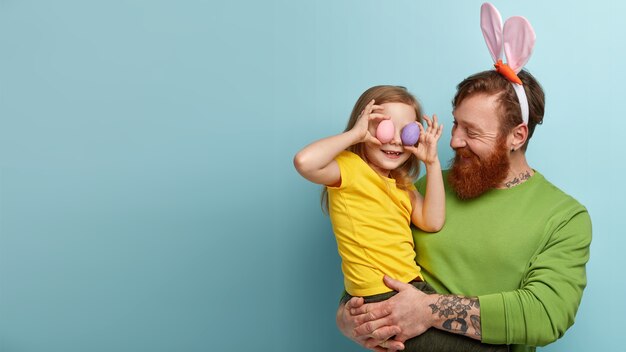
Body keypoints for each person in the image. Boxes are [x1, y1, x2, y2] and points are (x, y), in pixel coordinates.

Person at [336, 70, 592, 352]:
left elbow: (546, 314)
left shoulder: (564, 217)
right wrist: (349, 318)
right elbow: (370, 259)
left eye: (471, 131)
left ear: (517, 136)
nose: (454, 140)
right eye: (456, 124)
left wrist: (429, 309)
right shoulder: (426, 188)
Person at [294, 85, 508, 351]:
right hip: (382, 295)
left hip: (412, 291)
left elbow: (433, 221)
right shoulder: (350, 168)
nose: (395, 139)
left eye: (407, 131)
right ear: (364, 126)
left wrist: (431, 163)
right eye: (384, 127)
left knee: (492, 341)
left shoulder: (401, 184)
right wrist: (354, 135)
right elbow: (304, 161)